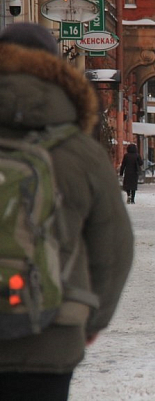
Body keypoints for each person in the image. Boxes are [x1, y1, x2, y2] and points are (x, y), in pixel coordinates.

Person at [0, 22, 134, 400]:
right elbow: (115, 245)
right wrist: (91, 318)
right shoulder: (81, 151)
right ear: (56, 70)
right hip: (51, 336)